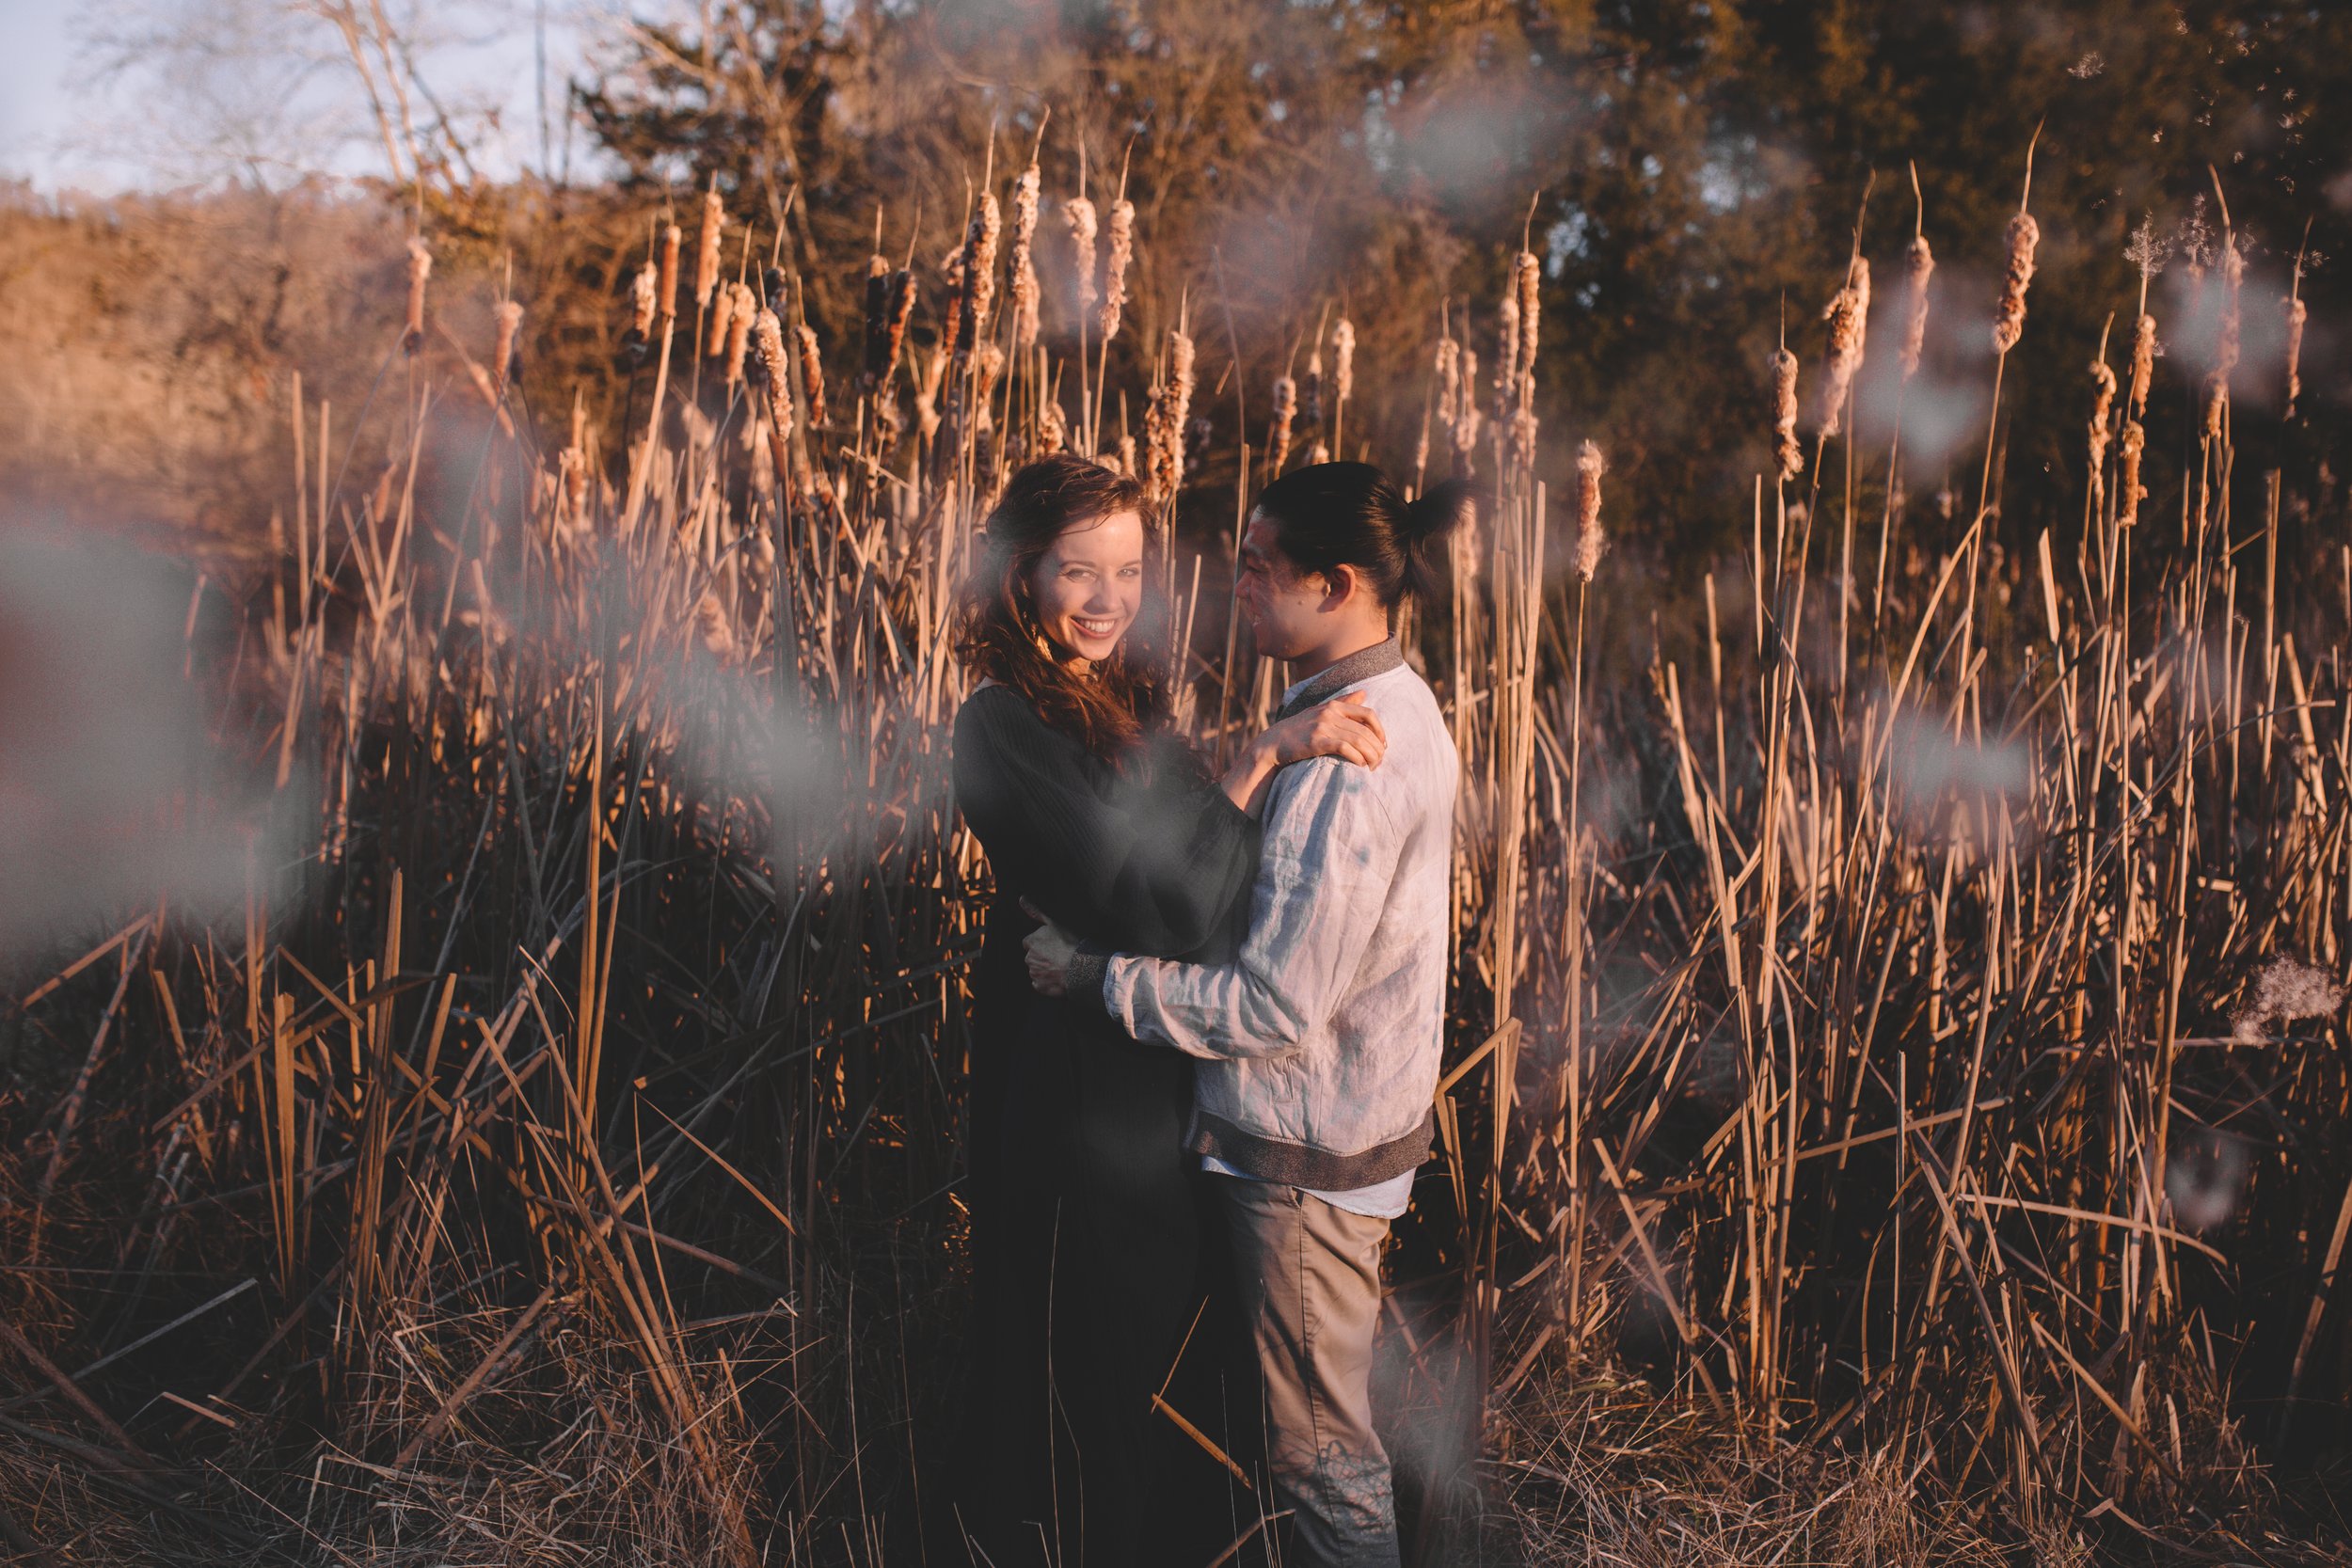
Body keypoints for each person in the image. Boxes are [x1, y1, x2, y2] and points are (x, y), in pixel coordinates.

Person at [948, 454, 1388, 1568]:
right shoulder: (998, 724)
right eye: (1077, 570)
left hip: (1152, 1092)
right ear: (1020, 573)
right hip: (1067, 1106)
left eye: (1129, 570)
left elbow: (1221, 881)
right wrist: (1266, 753)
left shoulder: (1123, 706)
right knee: (1078, 1382)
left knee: (1155, 1380)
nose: (1107, 598)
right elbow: (1165, 900)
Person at [1025, 461, 1467, 1568]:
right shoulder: (1377, 705)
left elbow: (1272, 1002)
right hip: (1320, 1144)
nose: (1240, 588)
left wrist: (1092, 974)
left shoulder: (1347, 767)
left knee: (1320, 1457)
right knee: (1299, 1439)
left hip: (1300, 1168)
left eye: (1262, 569)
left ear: (1338, 584)